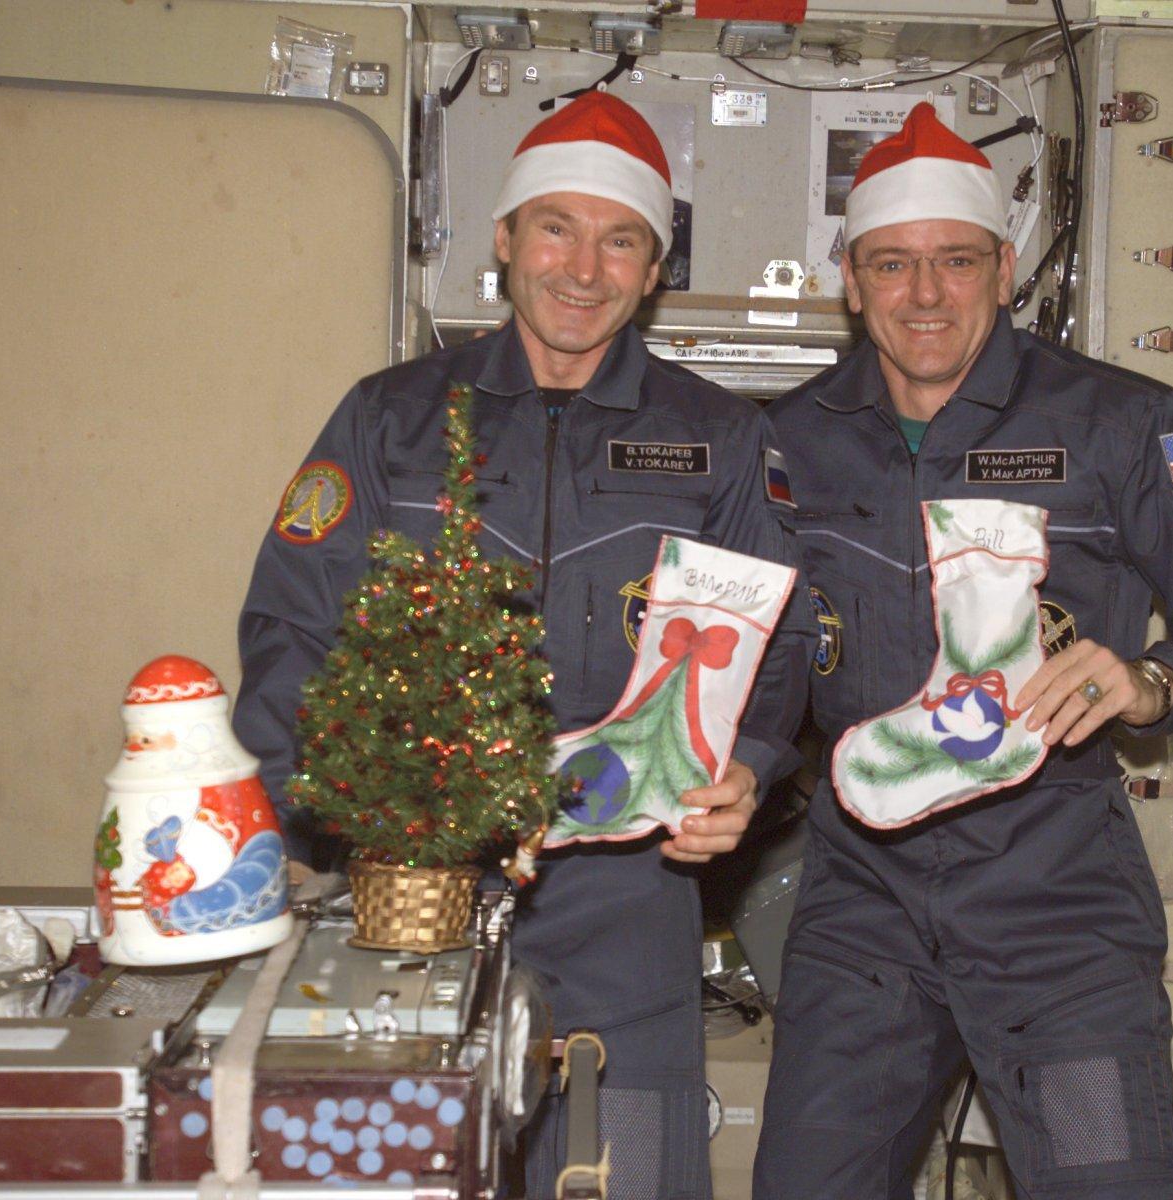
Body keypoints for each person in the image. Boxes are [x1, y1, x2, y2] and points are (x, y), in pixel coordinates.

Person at [234, 90, 814, 1199]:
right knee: (392, 1173)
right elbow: (292, 627)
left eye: (621, 240)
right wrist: (291, 833)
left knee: (628, 1174)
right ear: (503, 241)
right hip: (407, 884)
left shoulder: (724, 439)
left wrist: (751, 764)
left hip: (627, 895)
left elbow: (774, 650)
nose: (583, 268)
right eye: (556, 227)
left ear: (654, 270)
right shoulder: (388, 418)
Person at [753, 103, 1173, 1199]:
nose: (923, 295)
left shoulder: (1125, 421)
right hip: (864, 902)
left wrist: (1148, 680)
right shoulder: (783, 441)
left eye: (954, 262)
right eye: (890, 265)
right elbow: (752, 663)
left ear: (1003, 270)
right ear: (848, 282)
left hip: (1060, 907)